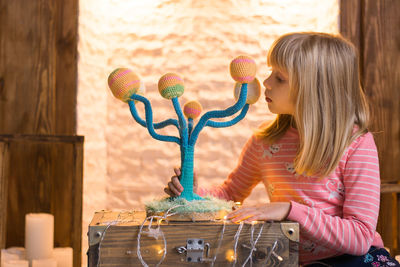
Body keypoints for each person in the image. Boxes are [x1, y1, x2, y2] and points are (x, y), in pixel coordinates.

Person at [164, 32, 400, 266]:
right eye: (270, 73)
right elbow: (230, 194)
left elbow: (359, 238)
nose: (266, 83)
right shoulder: (264, 142)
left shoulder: (356, 143)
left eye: (280, 78)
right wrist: (193, 194)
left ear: (314, 89)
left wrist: (288, 210)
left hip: (359, 260)